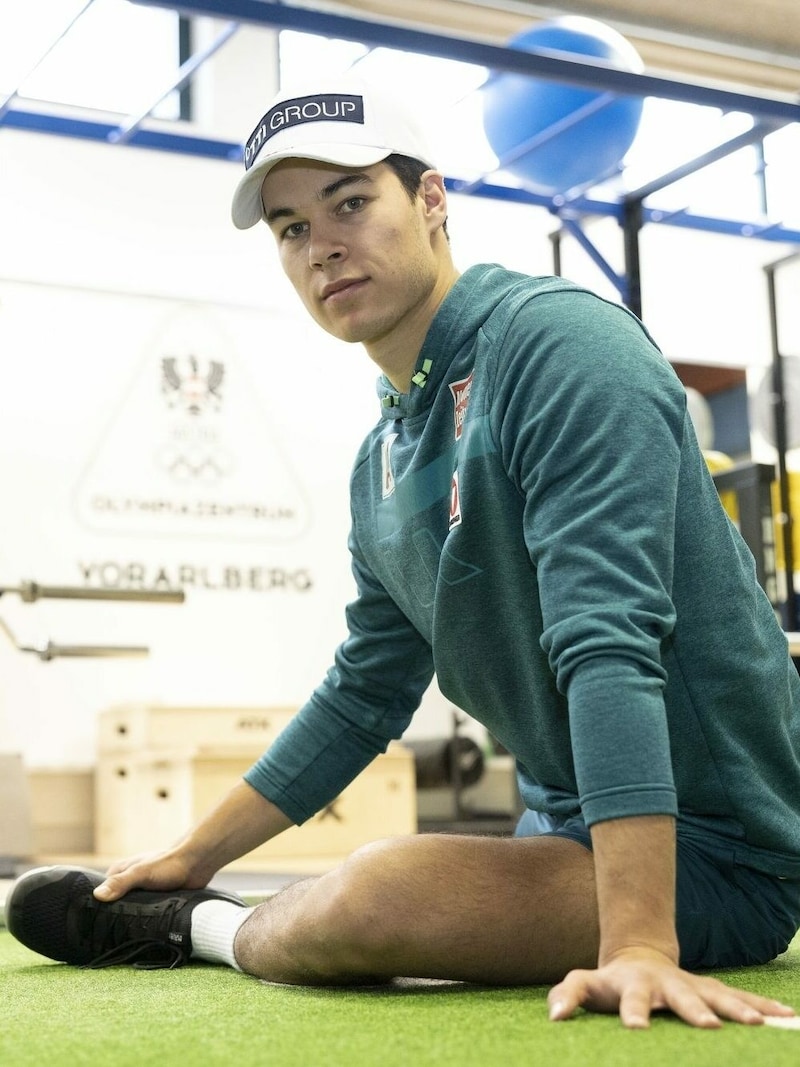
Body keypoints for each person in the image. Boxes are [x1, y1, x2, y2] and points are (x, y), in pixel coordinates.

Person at [8, 75, 800, 1031]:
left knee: (385, 887)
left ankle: (195, 931)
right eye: (293, 229)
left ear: (431, 203)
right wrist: (196, 848)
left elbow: (608, 638)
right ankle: (193, 902)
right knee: (391, 880)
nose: (324, 245)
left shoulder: (561, 345)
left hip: (718, 853)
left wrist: (636, 941)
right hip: (561, 833)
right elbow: (364, 691)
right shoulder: (382, 456)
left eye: (350, 201)